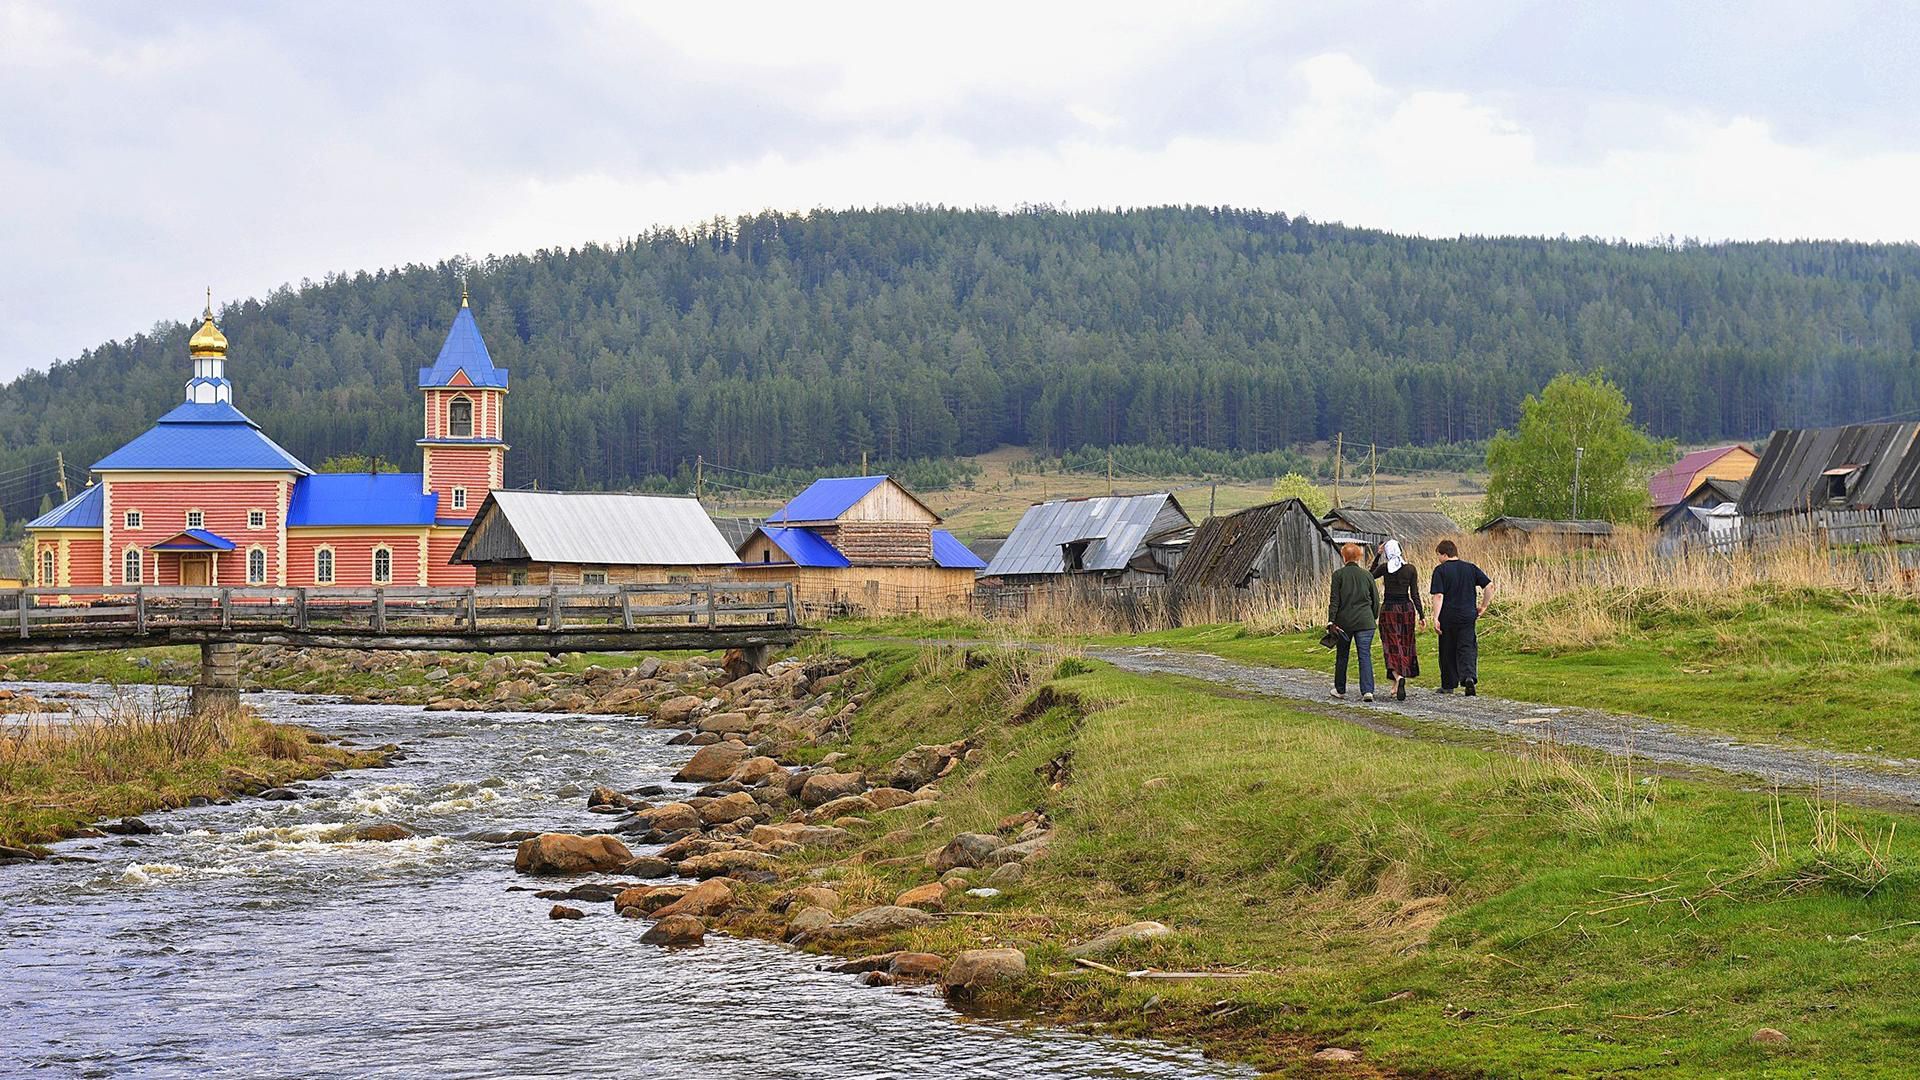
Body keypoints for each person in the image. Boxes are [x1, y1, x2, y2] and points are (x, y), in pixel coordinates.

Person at [1428, 539, 1494, 695]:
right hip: (1467, 614)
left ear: (1444, 554)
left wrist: (1435, 617)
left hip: (1448, 615)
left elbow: (1438, 595)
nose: (1438, 558)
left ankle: (1448, 684)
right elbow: (1489, 586)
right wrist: (1484, 606)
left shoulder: (1440, 570)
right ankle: (1469, 677)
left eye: (1438, 555)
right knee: (1467, 647)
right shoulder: (1470, 568)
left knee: (1447, 649)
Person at [1327, 542, 1380, 702]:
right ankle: (1367, 691)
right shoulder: (1367, 575)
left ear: (1344, 557)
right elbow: (1376, 600)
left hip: (1344, 623)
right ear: (1358, 557)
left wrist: (1331, 621)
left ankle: (1340, 689)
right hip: (1365, 621)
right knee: (1364, 655)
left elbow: (1334, 600)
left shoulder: (1338, 575)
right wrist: (1373, 616)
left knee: (1342, 655)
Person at [1371, 538, 1422, 701]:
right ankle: (1395, 685)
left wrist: (1377, 556)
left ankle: (1398, 678)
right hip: (1407, 609)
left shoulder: (1385, 568)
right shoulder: (1411, 569)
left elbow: (1369, 576)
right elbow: (1415, 594)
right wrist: (1421, 614)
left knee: (1391, 644)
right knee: (1404, 644)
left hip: (1389, 609)